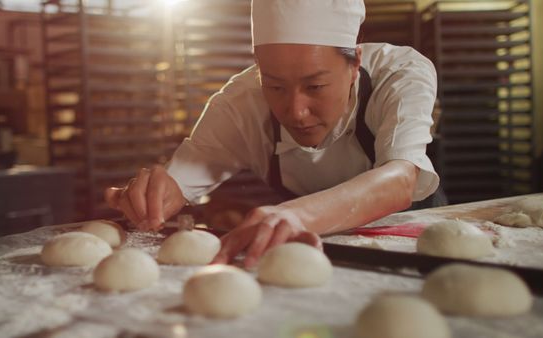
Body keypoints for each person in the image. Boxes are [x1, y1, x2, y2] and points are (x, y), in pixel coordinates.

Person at [105, 0, 442, 268]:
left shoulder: (400, 73)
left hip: (412, 242)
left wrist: (295, 214)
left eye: (315, 86)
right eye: (275, 85)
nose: (295, 111)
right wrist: (153, 197)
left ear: (355, 63)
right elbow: (181, 180)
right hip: (309, 252)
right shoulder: (239, 103)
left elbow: (401, 179)